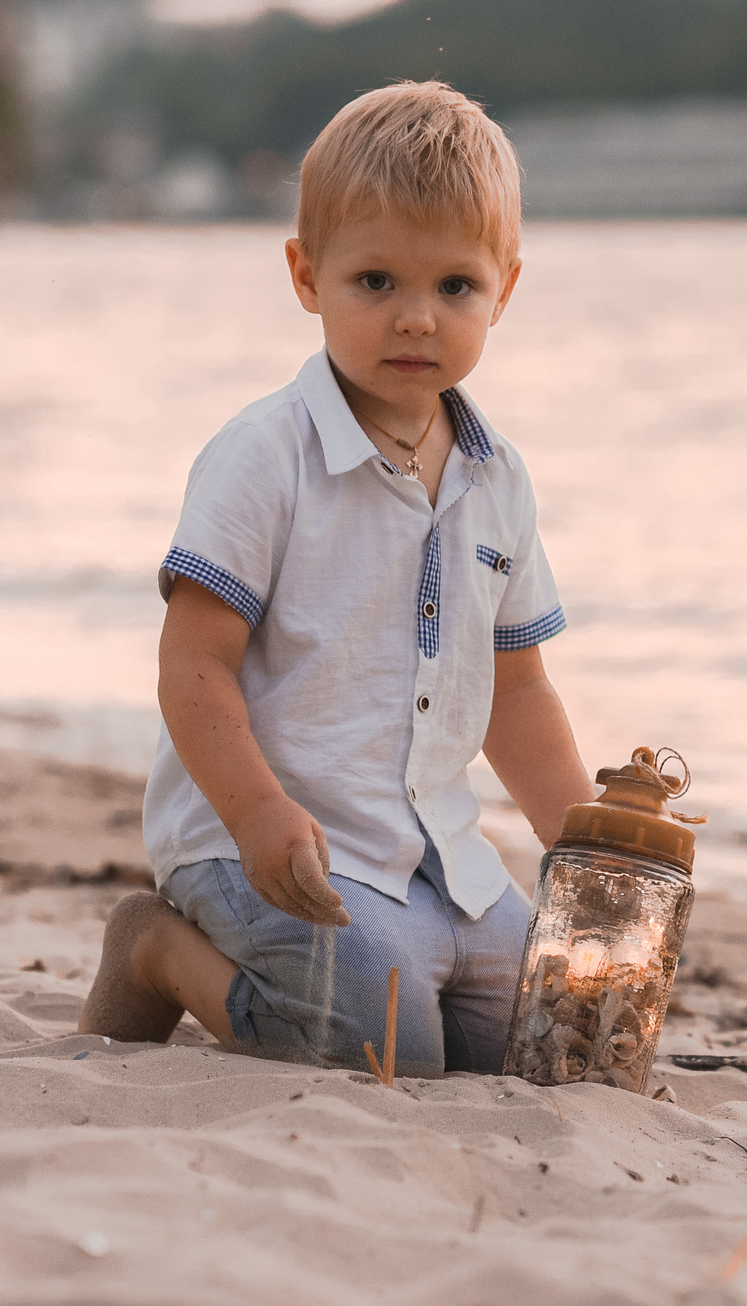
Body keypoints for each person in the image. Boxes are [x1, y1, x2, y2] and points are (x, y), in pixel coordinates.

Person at [80, 81, 595, 1077]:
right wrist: (256, 813)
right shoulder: (265, 454)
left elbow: (517, 691)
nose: (417, 318)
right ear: (306, 275)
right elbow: (193, 662)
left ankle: (430, 966)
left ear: (505, 290)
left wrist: (588, 851)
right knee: (377, 1043)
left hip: (437, 861)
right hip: (264, 837)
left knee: (548, 1037)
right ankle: (157, 948)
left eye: (456, 286)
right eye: (375, 281)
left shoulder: (497, 477)